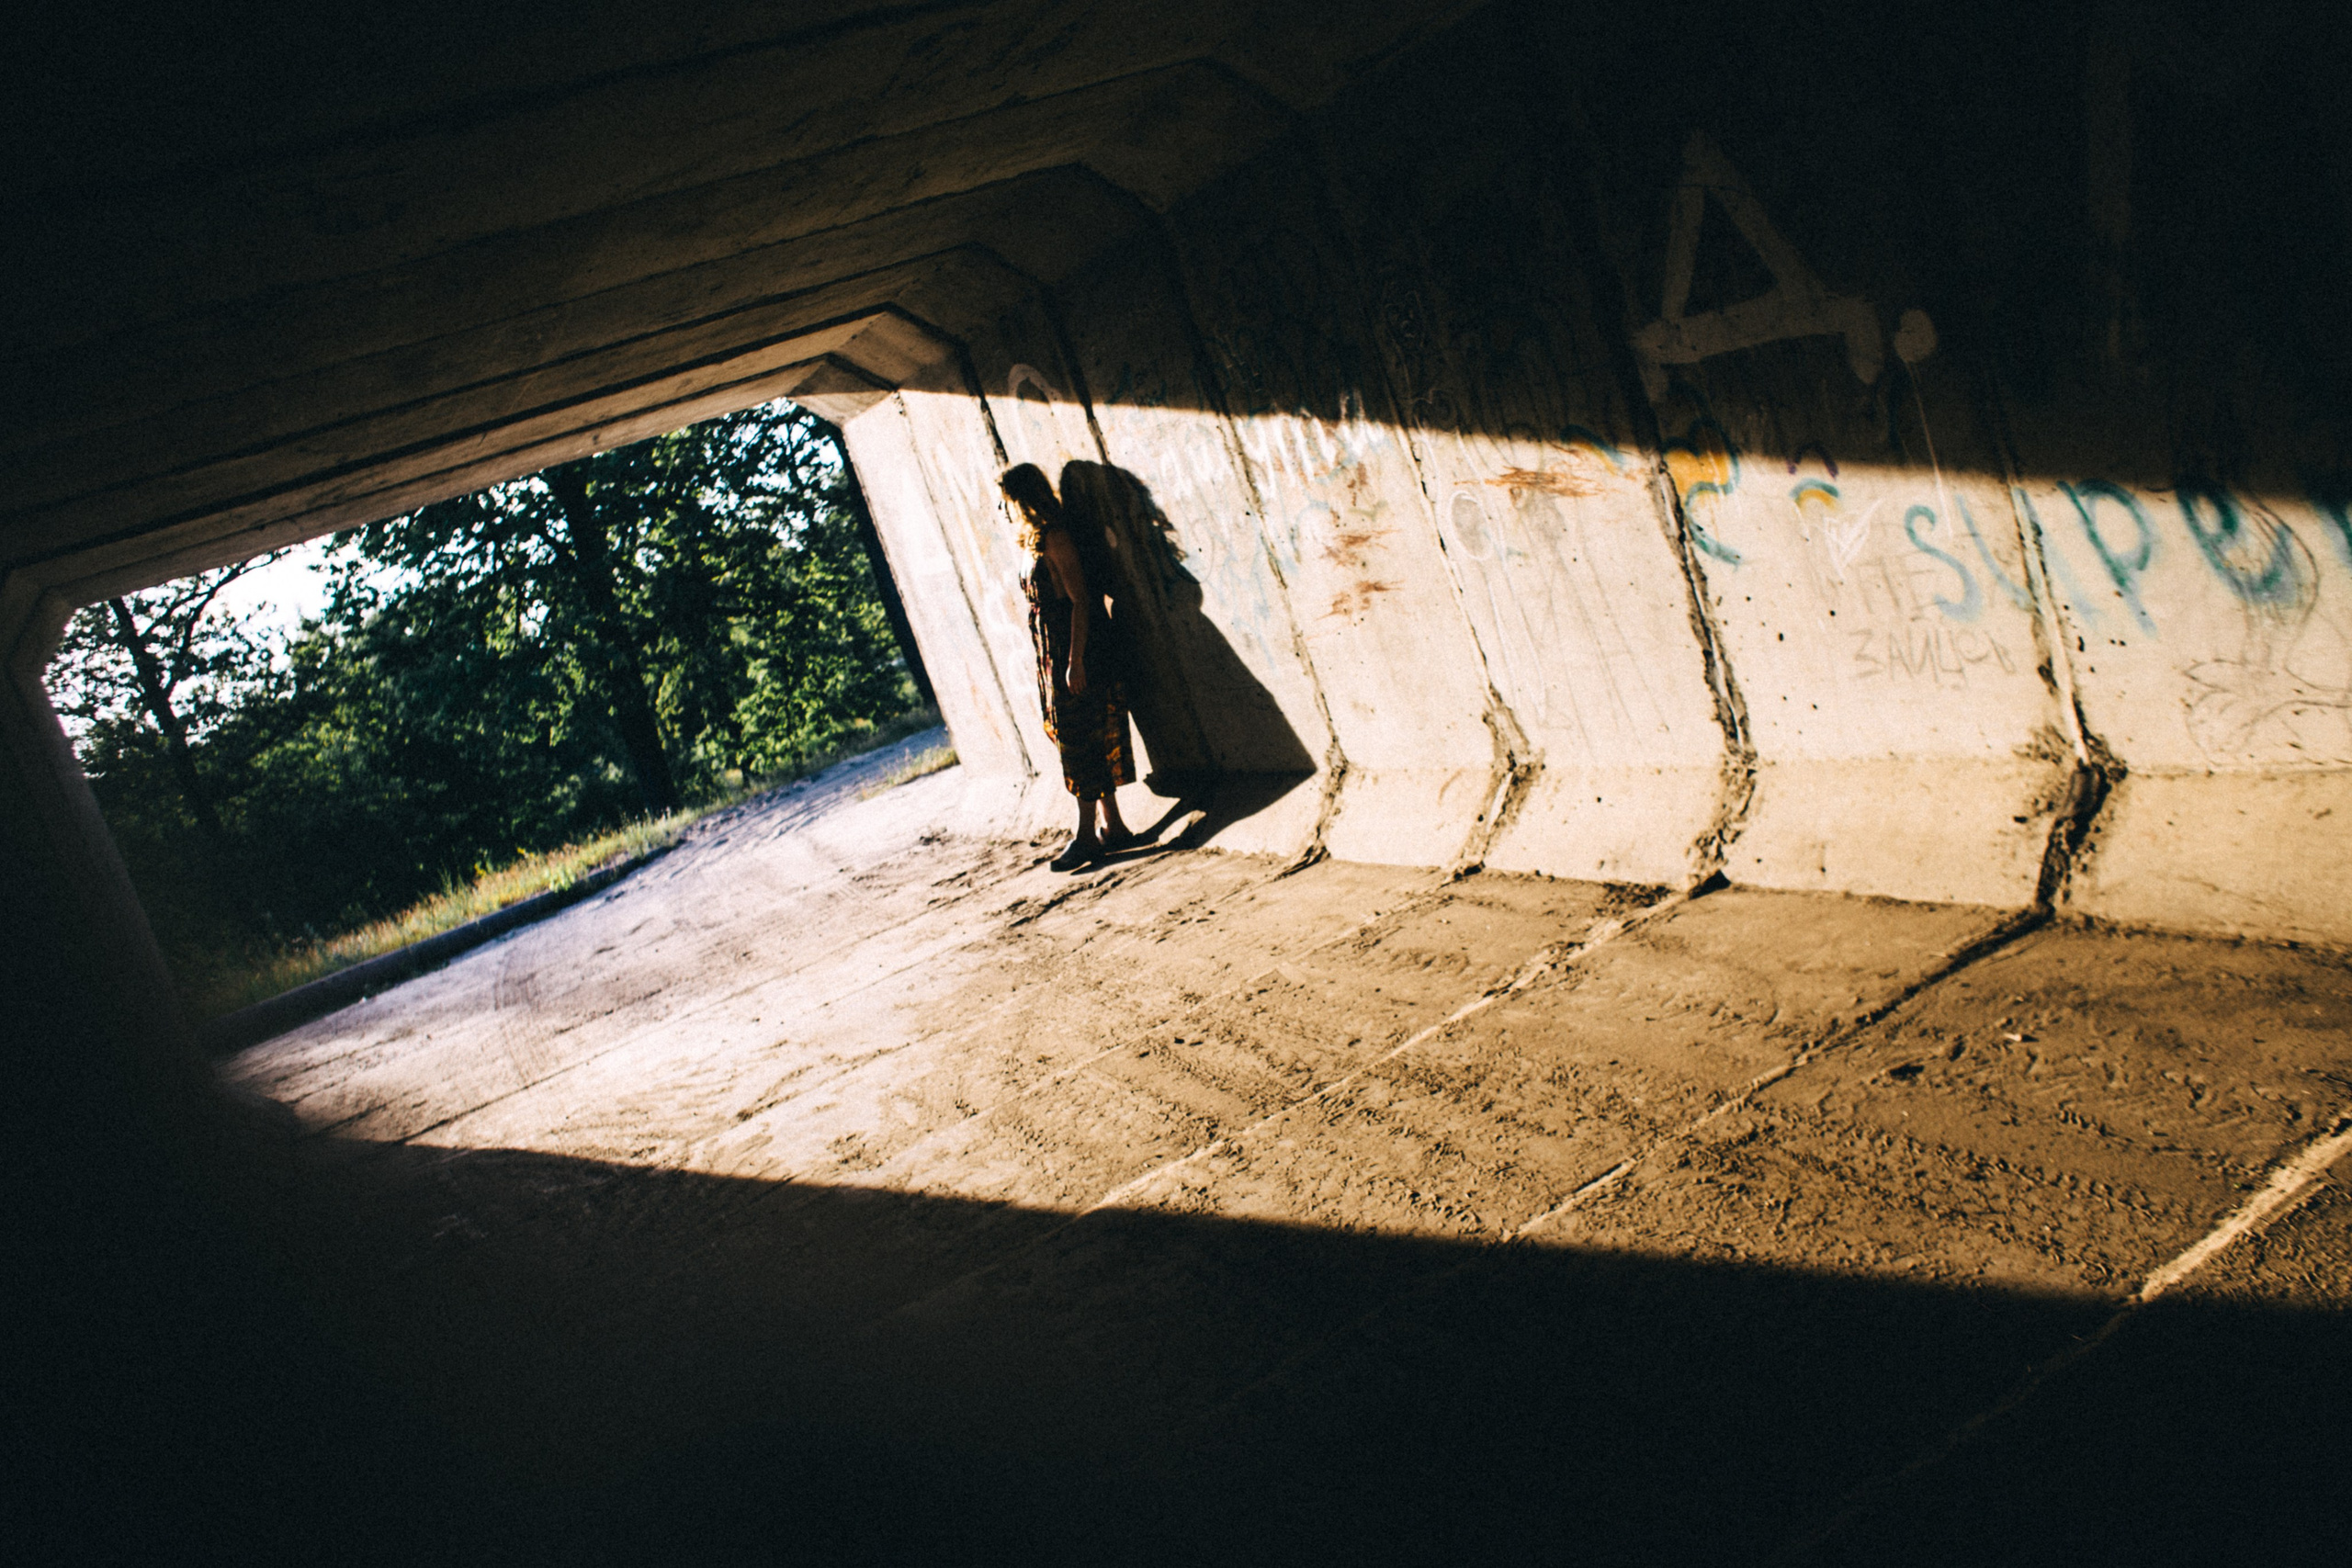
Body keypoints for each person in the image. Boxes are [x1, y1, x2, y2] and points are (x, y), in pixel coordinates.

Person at [1000, 462, 1135, 870]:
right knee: (1079, 735)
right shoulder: (1032, 542)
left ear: (1023, 499)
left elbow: (1081, 600)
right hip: (1052, 652)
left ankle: (1085, 835)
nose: (1004, 510)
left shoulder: (1055, 537)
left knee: (1079, 741)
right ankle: (1114, 827)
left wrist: (1074, 661)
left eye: (1007, 501)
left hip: (1073, 650)